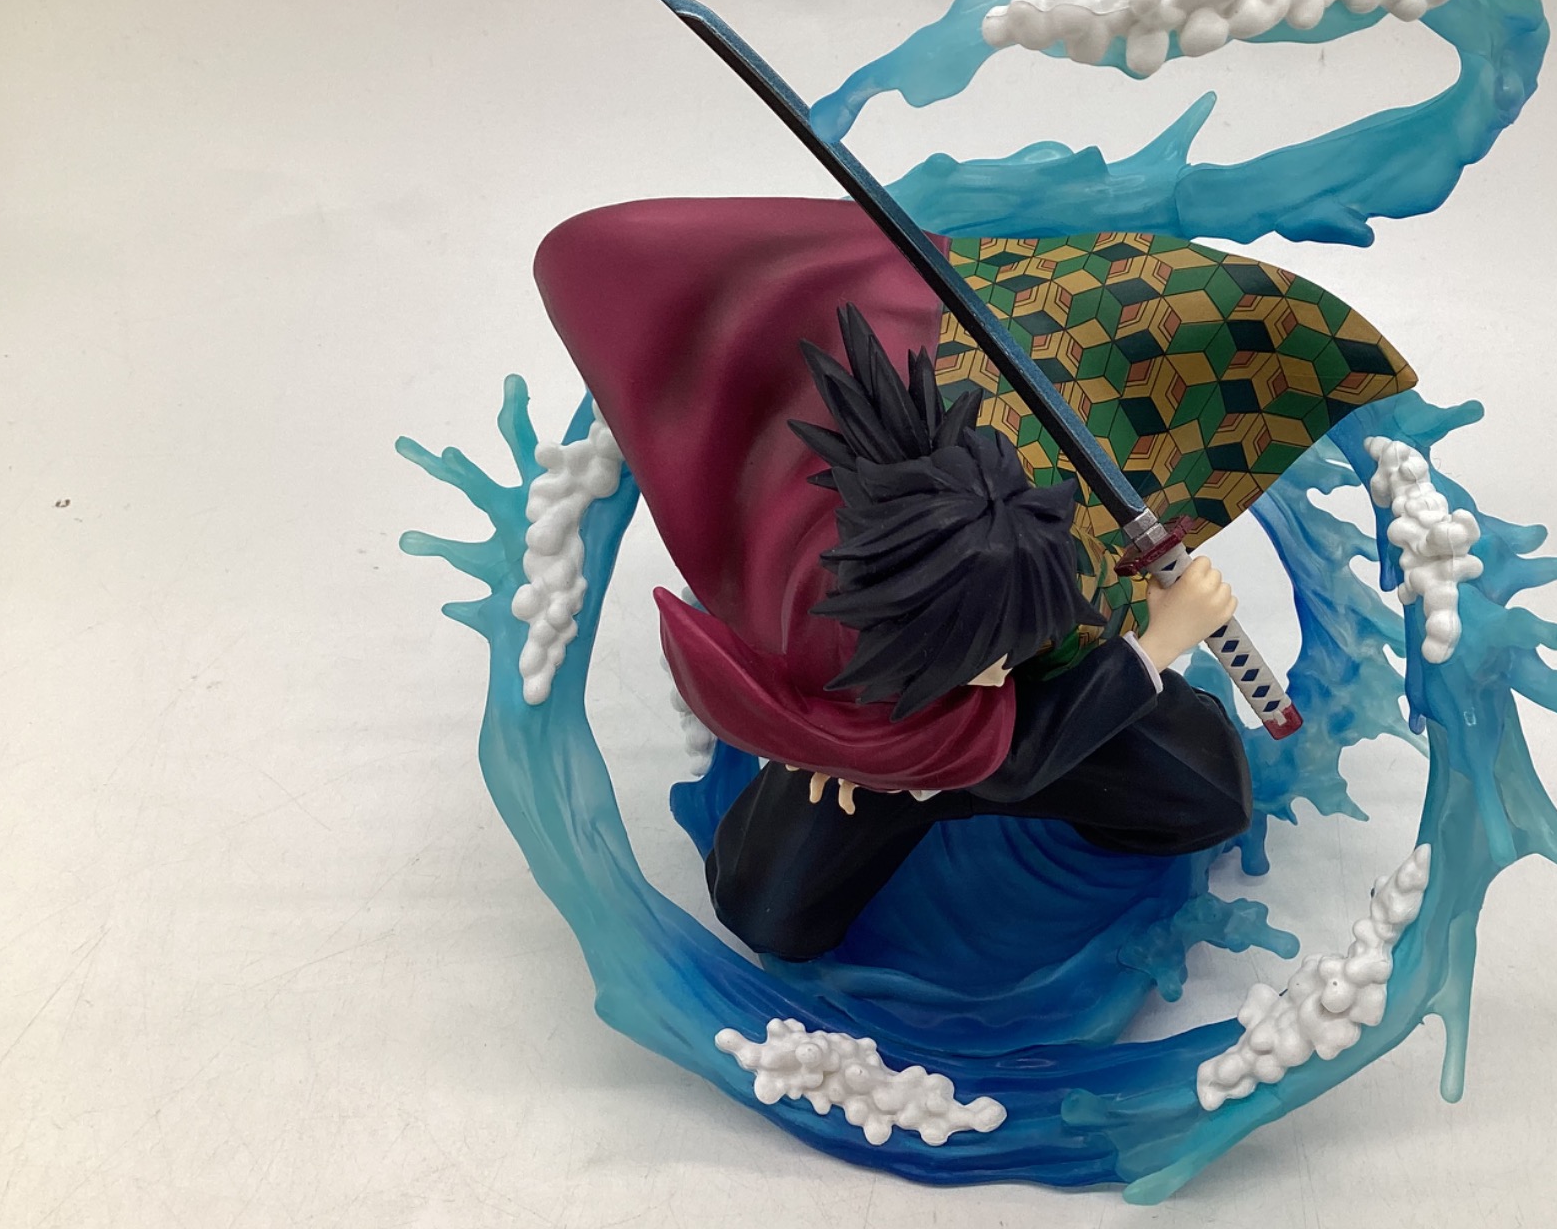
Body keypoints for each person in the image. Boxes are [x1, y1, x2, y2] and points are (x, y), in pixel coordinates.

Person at [532, 196, 1251, 964]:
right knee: (768, 910)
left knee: (1208, 793)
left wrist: (1109, 631)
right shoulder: (826, 635)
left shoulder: (985, 530)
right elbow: (1002, 754)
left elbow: (1020, 706)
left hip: (1021, 703)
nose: (995, 671)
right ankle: (905, 770)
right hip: (873, 756)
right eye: (988, 659)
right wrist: (1160, 642)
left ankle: (984, 751)